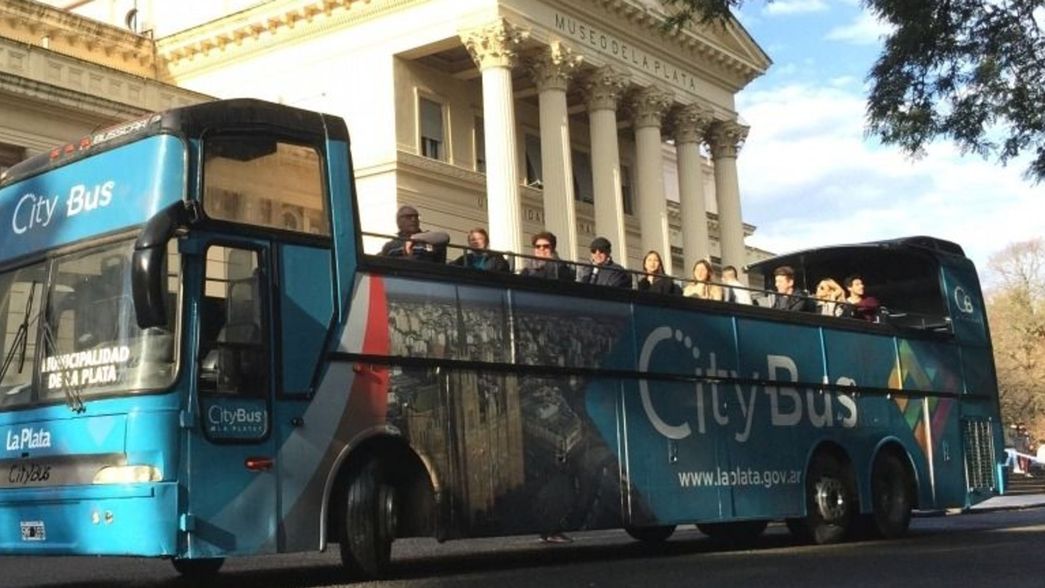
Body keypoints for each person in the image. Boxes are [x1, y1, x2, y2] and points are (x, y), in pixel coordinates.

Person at [380, 205, 448, 263]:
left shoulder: (430, 238)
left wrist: (413, 238)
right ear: (399, 221)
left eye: (416, 217)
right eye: (409, 217)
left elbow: (444, 237)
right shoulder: (390, 246)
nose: (414, 219)